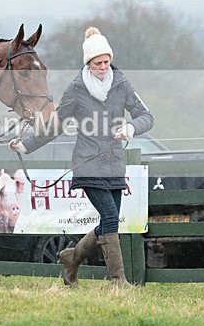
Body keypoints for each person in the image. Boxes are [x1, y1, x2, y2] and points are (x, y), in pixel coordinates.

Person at [10, 26, 154, 287]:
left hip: (114, 164)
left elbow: (146, 116)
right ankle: (118, 281)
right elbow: (56, 125)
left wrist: (132, 127)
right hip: (87, 165)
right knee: (109, 217)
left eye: (106, 61)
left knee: (109, 223)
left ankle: (71, 259)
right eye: (98, 63)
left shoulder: (122, 84)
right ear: (88, 63)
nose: (103, 67)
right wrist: (27, 145)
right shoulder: (76, 89)